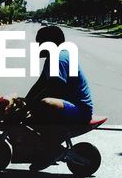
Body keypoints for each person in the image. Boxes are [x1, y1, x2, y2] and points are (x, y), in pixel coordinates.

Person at [23, 25, 94, 167]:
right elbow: (40, 84)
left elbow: (55, 89)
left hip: (80, 109)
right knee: (33, 110)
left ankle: (53, 149)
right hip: (69, 105)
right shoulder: (52, 58)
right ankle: (45, 146)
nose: (38, 47)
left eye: (40, 43)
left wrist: (32, 105)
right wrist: (25, 101)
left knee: (45, 104)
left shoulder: (59, 58)